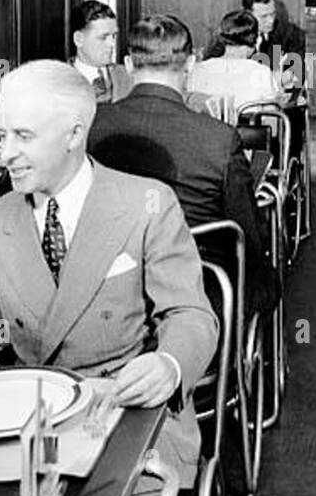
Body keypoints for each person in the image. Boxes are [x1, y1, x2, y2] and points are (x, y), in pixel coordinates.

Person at [0, 60, 218, 496]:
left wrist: (169, 364)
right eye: (1, 133)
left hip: (131, 424)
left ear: (75, 133)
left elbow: (191, 314)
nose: (6, 153)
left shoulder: (147, 204)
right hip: (26, 432)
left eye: (23, 136)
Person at [87, 16, 273, 314]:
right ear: (190, 64)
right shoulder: (219, 139)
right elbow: (248, 233)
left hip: (104, 286)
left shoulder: (92, 123)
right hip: (197, 288)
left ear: (129, 64)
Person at [205, 0, 307, 87]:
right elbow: (214, 69)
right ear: (248, 14)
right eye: (264, 16)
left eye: (273, 14)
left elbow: (295, 72)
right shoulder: (232, 32)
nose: (271, 21)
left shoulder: (290, 34)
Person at [189, 10, 281, 115]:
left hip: (207, 129)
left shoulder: (197, 70)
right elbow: (272, 118)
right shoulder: (261, 72)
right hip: (247, 130)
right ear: (257, 40)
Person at [71, 0, 131, 103]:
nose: (112, 44)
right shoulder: (58, 81)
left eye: (113, 36)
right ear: (78, 39)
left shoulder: (129, 77)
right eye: (103, 37)